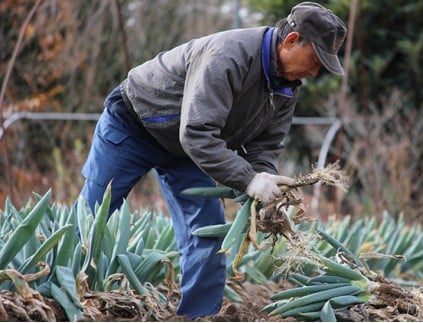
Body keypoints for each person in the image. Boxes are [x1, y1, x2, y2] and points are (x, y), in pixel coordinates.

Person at [78, 1, 347, 319]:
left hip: (186, 150)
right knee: (92, 217)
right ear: (290, 41)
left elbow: (266, 145)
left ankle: (198, 316)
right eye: (314, 60)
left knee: (207, 234)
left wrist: (266, 180)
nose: (314, 72)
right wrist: (248, 180)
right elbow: (196, 133)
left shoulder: (287, 87)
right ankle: (59, 295)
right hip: (135, 123)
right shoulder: (229, 55)